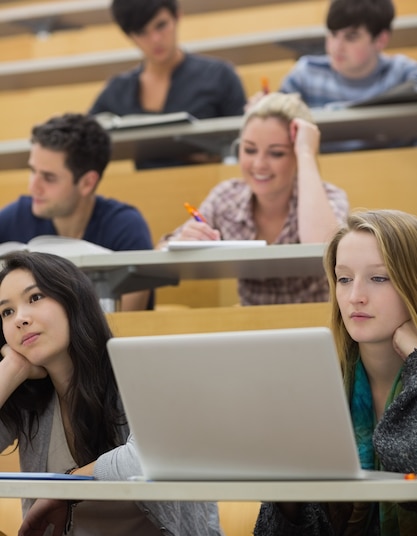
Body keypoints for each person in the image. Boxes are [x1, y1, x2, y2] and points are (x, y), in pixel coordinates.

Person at [0, 251, 230, 536]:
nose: (20, 319)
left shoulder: (143, 372)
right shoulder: (29, 401)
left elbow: (150, 458)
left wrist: (65, 488)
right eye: (6, 312)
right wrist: (11, 369)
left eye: (36, 297)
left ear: (73, 301)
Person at [254, 209, 417, 536]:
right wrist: (287, 492)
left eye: (379, 278)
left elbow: (407, 456)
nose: (355, 296)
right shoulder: (318, 388)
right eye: (344, 279)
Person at [158, 92, 349, 306]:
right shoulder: (227, 197)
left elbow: (320, 247)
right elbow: (161, 251)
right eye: (249, 150)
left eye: (276, 153)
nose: (259, 164)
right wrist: (181, 240)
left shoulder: (330, 197)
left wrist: (306, 152)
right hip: (252, 325)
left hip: (317, 325)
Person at [0, 113, 153, 311]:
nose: (33, 187)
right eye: (32, 171)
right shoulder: (14, 218)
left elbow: (124, 324)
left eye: (48, 177)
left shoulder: (126, 227)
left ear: (87, 183)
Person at [88, 0, 246, 168]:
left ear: (177, 15)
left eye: (161, 25)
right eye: (142, 32)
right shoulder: (117, 91)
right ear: (130, 36)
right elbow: (82, 142)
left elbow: (247, 142)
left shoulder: (219, 76)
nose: (155, 39)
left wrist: (216, 154)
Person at [279, 0, 417, 150]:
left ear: (381, 40)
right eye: (332, 34)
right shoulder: (304, 75)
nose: (337, 47)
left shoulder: (404, 73)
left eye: (351, 37)